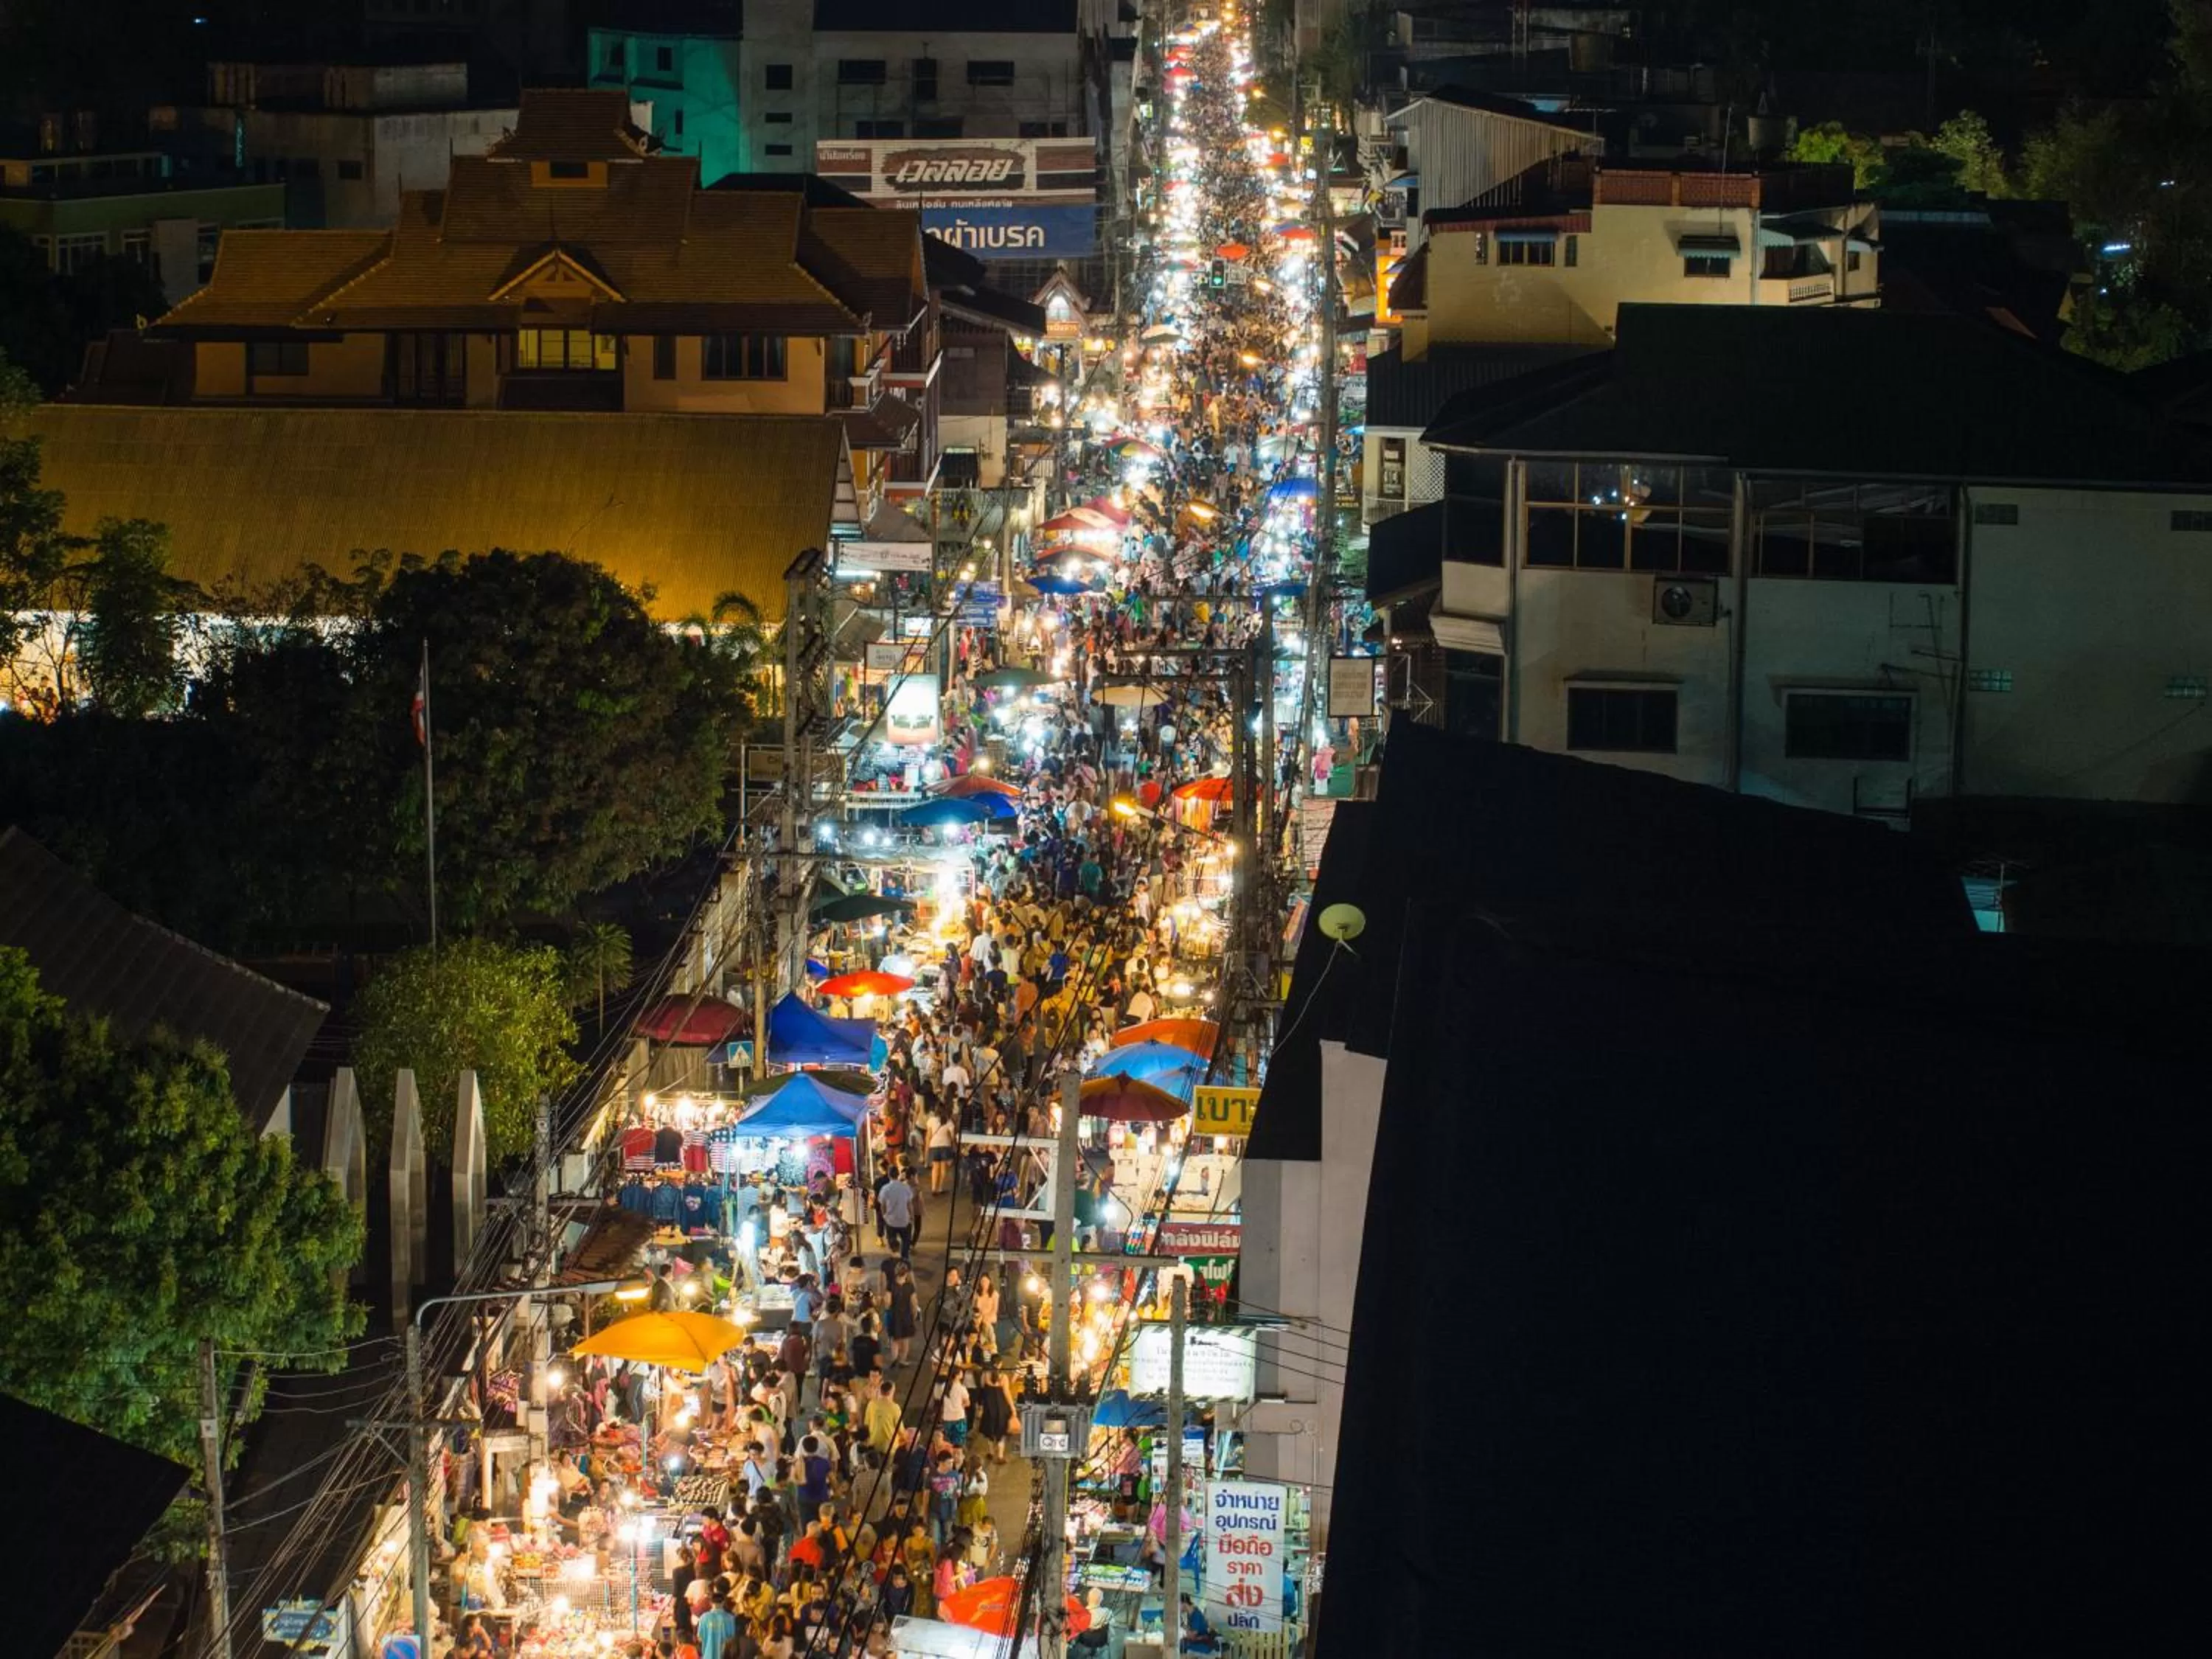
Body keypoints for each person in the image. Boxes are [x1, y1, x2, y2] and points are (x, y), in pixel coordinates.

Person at [877, 1168, 917, 1260]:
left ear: (889, 1176)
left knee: (892, 1243)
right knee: (906, 1242)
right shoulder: (905, 1187)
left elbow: (882, 1205)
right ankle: (905, 1260)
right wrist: (912, 1217)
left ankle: (894, 1259)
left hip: (891, 1221)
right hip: (904, 1220)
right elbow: (909, 1204)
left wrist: (885, 1216)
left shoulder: (885, 1189)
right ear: (898, 1175)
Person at [695, 1593, 739, 1659]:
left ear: (710, 1603)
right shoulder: (730, 1618)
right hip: (724, 1656)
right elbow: (731, 1638)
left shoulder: (704, 1617)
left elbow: (700, 1638)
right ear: (723, 1602)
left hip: (708, 1656)